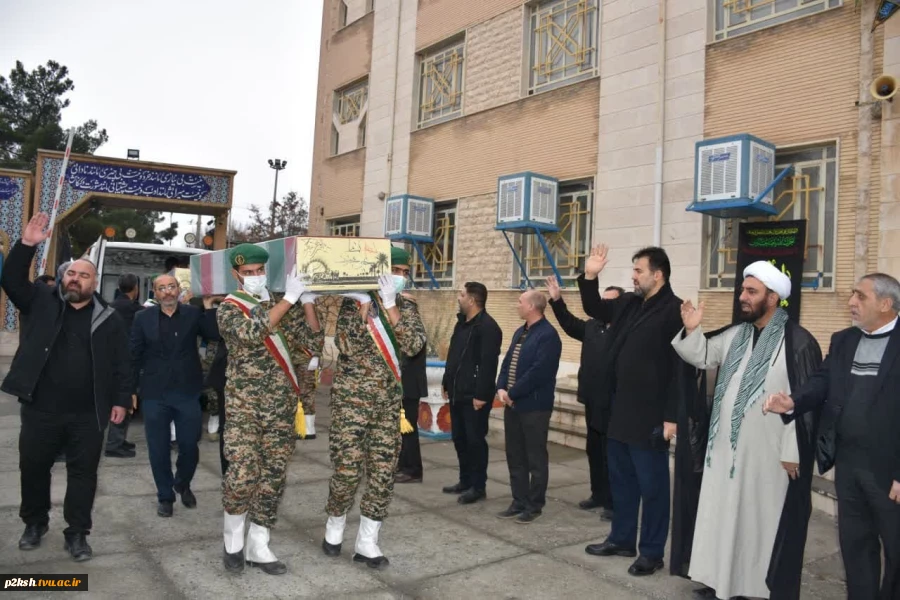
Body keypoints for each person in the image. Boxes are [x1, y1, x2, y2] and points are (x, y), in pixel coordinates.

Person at [673, 261, 823, 599]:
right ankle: (720, 583)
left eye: (751, 292)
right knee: (724, 519)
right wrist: (693, 330)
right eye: (743, 290)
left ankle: (752, 589)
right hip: (725, 450)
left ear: (772, 298)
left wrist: (792, 452)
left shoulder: (798, 342)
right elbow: (702, 357)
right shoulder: (736, 335)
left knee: (757, 524)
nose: (743, 297)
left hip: (767, 456)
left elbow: (807, 403)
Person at [1, 213, 131, 562]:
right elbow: (11, 280)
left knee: (83, 475)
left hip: (87, 413)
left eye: (83, 275)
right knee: (33, 468)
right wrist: (27, 244)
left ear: (95, 282)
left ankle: (77, 533)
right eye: (70, 273)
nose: (74, 278)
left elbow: (122, 364)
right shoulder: (41, 301)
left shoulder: (110, 318)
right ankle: (34, 523)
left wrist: (121, 400)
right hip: (40, 408)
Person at [764, 273, 900, 600]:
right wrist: (794, 401)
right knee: (855, 548)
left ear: (886, 304)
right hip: (849, 464)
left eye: (860, 296)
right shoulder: (844, 340)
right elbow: (822, 382)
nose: (851, 302)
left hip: (891, 472)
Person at [580, 245, 685, 577]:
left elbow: (680, 368)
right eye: (633, 270)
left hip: (651, 417)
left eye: (638, 270)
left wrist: (671, 417)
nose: (633, 276)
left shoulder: (675, 311)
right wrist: (590, 275)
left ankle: (652, 552)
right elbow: (594, 306)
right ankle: (622, 539)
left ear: (658, 274)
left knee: (653, 488)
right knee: (622, 482)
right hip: (619, 411)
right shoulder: (628, 303)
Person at [218, 243, 319, 575]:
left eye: (260, 271)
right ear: (236, 275)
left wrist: (306, 303)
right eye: (248, 273)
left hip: (280, 408)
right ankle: (233, 542)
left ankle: (259, 545)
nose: (256, 277)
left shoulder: (281, 305)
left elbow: (311, 344)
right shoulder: (229, 309)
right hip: (245, 410)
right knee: (242, 476)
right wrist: (289, 299)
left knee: (273, 478)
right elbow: (251, 334)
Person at [321, 246, 426, 568]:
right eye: (394, 269)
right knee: (347, 471)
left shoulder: (406, 306)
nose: (399, 276)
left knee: (383, 475)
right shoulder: (353, 302)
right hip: (351, 404)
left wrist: (391, 306)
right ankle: (335, 525)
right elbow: (345, 344)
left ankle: (368, 541)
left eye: (404, 272)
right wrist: (366, 310)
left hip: (387, 406)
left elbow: (414, 344)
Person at [131, 273, 220, 518]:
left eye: (171, 287)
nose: (167, 292)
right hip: (154, 394)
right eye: (162, 288)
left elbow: (213, 335)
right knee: (158, 449)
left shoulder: (192, 314)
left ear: (178, 290)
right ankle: (165, 496)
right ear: (155, 293)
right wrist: (129, 391)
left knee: (190, 445)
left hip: (187, 392)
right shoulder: (142, 318)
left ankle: (182, 483)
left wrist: (209, 306)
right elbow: (133, 355)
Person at [546, 276, 621, 521]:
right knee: (594, 450)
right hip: (592, 399)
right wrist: (557, 300)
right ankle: (597, 493)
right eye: (603, 301)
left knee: (613, 455)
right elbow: (569, 324)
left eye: (611, 302)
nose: (605, 306)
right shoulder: (592, 326)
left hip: (615, 403)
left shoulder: (625, 331)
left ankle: (614, 502)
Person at [495, 290, 562, 524]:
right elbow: (506, 364)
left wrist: (512, 393)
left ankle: (534, 505)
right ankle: (519, 500)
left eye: (520, 301)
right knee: (515, 455)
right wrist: (501, 388)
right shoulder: (520, 332)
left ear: (532, 306)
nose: (517, 305)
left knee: (535, 457)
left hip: (534, 407)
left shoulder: (548, 335)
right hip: (512, 405)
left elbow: (539, 372)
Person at [441, 282, 503, 502]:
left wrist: (481, 395)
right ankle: (465, 480)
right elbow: (454, 356)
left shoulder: (488, 327)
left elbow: (488, 365)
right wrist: (446, 382)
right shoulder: (461, 324)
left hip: (474, 397)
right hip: (457, 392)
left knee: (475, 440)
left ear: (472, 300)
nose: (459, 298)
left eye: (462, 294)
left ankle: (478, 487)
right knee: (460, 439)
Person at [107, 273, 142, 458]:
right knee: (125, 399)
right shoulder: (134, 308)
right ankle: (114, 443)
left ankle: (119, 440)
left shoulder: (111, 306)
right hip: (127, 360)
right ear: (135, 289)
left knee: (124, 400)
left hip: (112, 359)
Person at [396, 285, 428, 484]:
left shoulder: (412, 323)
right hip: (404, 382)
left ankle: (413, 469)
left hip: (409, 384)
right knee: (401, 429)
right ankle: (403, 465)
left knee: (408, 429)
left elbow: (412, 348)